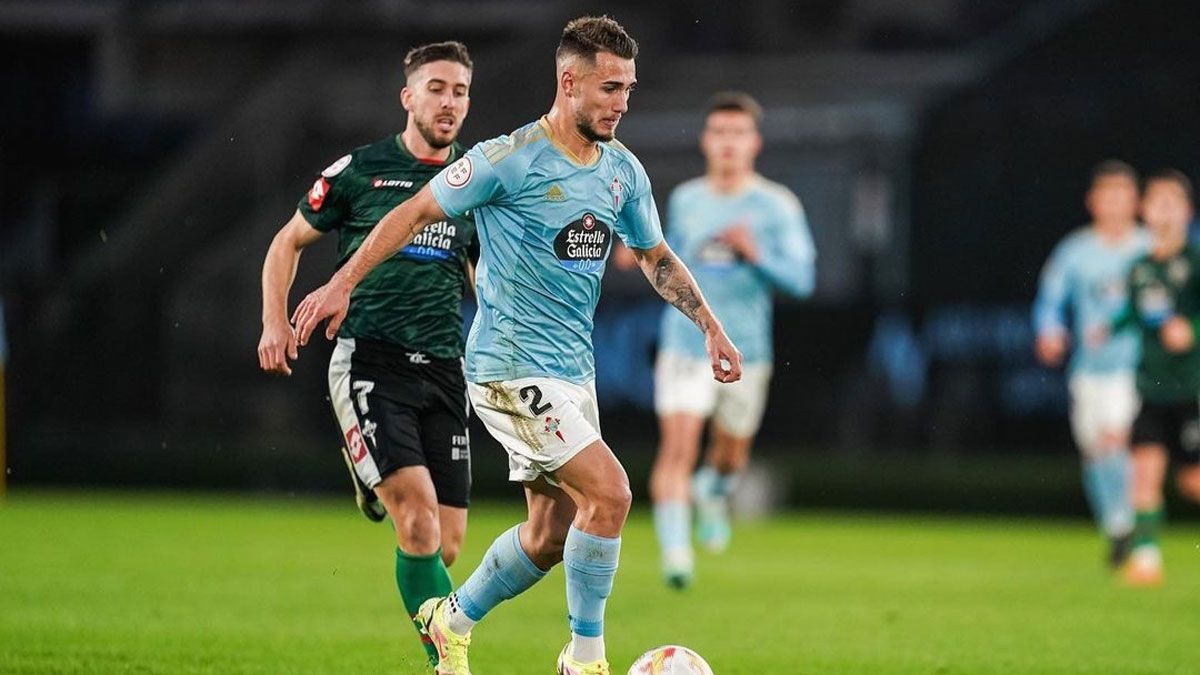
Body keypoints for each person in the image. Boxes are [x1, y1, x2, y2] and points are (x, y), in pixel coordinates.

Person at [291, 16, 742, 675]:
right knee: (612, 494)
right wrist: (341, 282)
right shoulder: (508, 159)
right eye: (609, 87)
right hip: (507, 366)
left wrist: (709, 323)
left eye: (629, 89)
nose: (622, 102)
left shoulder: (622, 171)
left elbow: (654, 255)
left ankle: (453, 619)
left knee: (551, 534)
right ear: (569, 82)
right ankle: (584, 659)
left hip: (572, 372)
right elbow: (414, 211)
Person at [256, 41, 476, 667]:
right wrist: (275, 319)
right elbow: (286, 242)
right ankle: (449, 662)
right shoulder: (361, 169)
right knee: (418, 523)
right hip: (371, 360)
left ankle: (368, 475)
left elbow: (482, 274)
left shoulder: (474, 181)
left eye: (460, 91)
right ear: (409, 97)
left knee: (447, 544)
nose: (449, 102)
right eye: (436, 88)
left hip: (445, 367)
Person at [649, 92, 816, 588]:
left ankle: (713, 489)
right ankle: (676, 553)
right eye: (719, 132)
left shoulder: (777, 205)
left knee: (729, 456)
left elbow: (803, 281)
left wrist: (755, 253)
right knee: (677, 448)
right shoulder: (686, 199)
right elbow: (668, 261)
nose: (727, 143)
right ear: (705, 140)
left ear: (755, 143)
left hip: (748, 349)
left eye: (737, 133)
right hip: (686, 341)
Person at [1033, 160, 1148, 568]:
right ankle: (1117, 526)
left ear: (1136, 201)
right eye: (1107, 195)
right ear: (1093, 201)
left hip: (1134, 367)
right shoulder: (1076, 251)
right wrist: (1048, 331)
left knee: (1119, 440)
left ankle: (1136, 528)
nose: (1115, 204)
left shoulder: (1148, 248)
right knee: (1096, 451)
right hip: (1088, 368)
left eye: (1123, 195)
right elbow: (1049, 300)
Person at [1103, 170, 1200, 585]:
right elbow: (1135, 312)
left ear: (1187, 210)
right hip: (1152, 386)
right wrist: (1111, 325)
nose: (1162, 207)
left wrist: (1193, 330)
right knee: (1142, 473)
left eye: (1171, 200)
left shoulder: (1194, 263)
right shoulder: (1139, 268)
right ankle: (1146, 559)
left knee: (1193, 482)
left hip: (1192, 389)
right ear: (1143, 210)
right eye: (1155, 200)